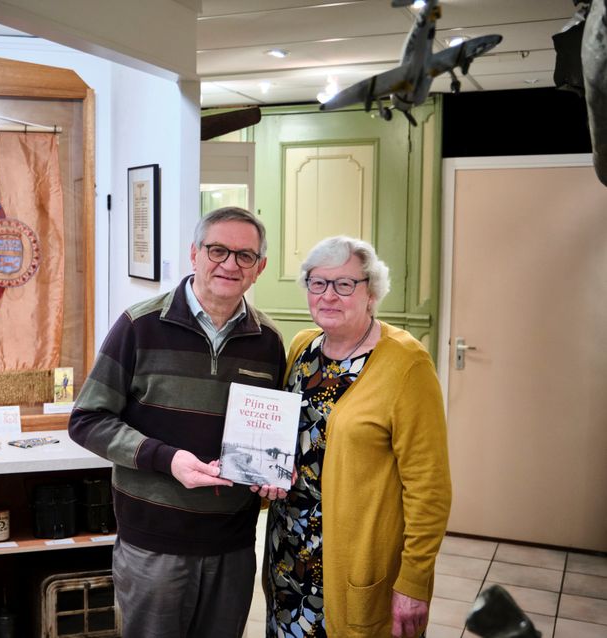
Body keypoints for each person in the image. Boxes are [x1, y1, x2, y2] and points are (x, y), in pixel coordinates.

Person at [69, 206, 287, 638]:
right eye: (218, 250)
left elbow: (270, 436)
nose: (229, 264)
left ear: (259, 268)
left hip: (233, 544)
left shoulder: (269, 343)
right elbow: (88, 419)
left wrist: (274, 471)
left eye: (245, 256)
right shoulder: (139, 326)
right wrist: (165, 459)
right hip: (154, 544)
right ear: (194, 254)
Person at [257, 236, 451, 638]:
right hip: (288, 551)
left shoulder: (406, 364)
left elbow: (429, 486)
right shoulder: (302, 347)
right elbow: (289, 438)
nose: (329, 295)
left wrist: (414, 580)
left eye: (345, 284)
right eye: (318, 282)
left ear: (371, 292)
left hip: (354, 562)